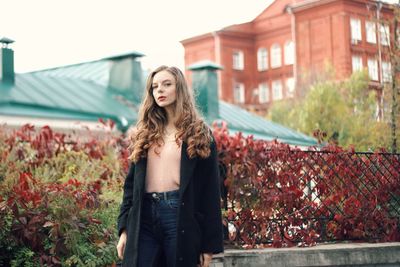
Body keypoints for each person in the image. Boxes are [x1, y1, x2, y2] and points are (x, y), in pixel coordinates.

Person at [116, 65, 224, 267]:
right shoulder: (145, 133)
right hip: (144, 217)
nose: (160, 90)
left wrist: (208, 246)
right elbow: (130, 188)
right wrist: (124, 230)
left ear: (179, 89)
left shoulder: (199, 134)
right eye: (155, 87)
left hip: (179, 215)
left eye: (167, 84)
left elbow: (210, 192)